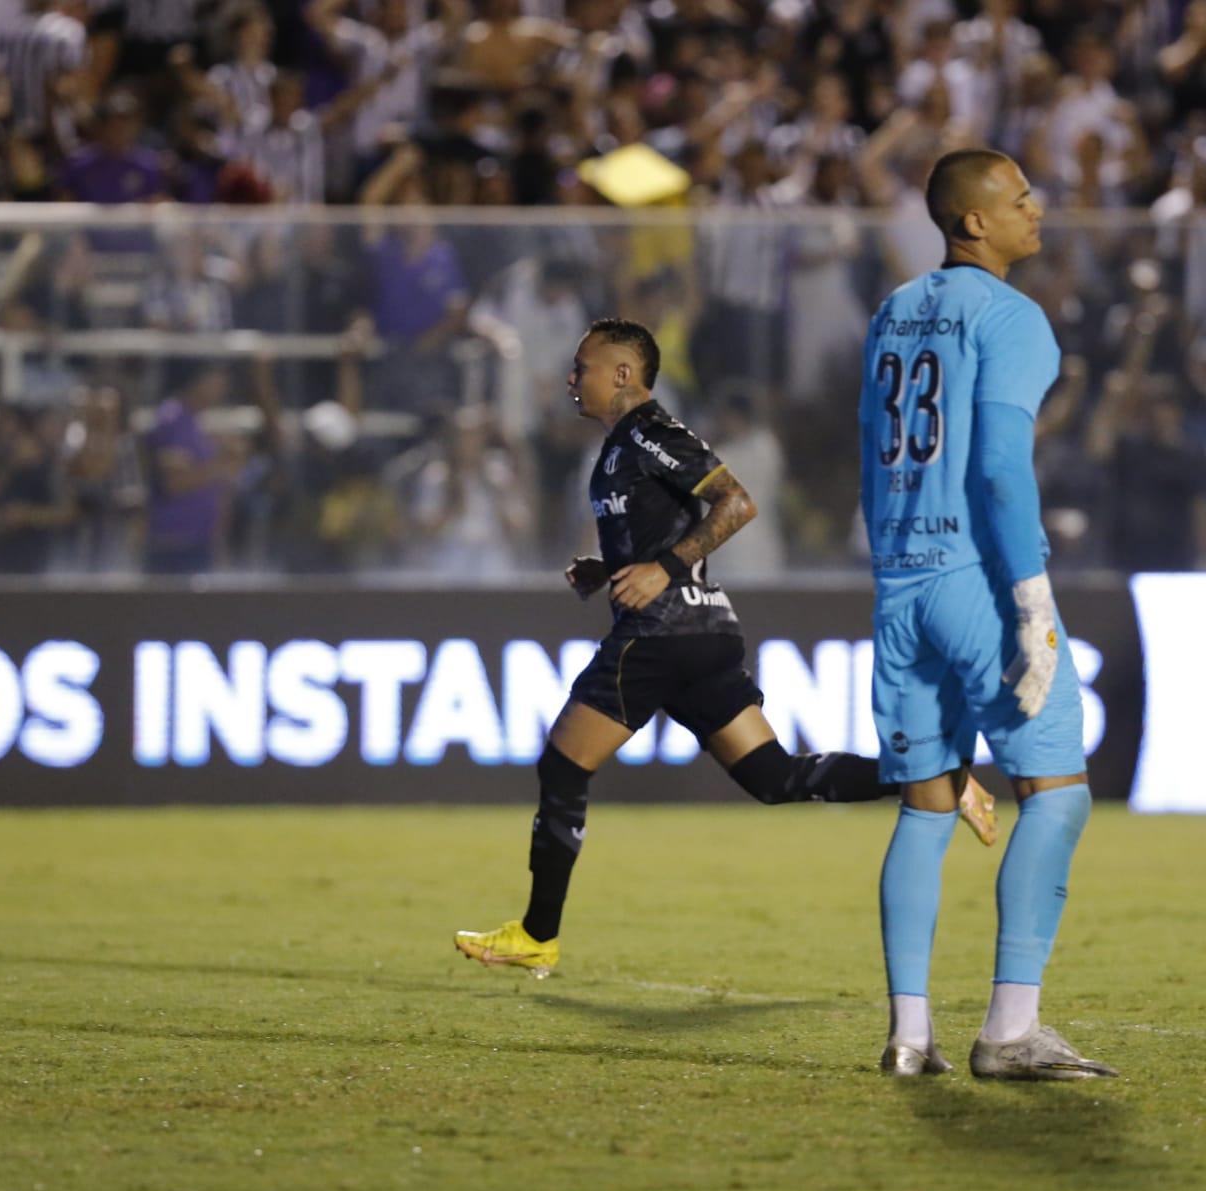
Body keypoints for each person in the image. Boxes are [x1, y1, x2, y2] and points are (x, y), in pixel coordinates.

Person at [453, 319, 994, 979]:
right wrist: (610, 569)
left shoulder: (652, 434)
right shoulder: (623, 447)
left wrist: (664, 571)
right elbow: (667, 530)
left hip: (662, 634)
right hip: (703, 636)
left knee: (563, 767)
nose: (573, 378)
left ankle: (537, 935)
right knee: (775, 777)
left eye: (584, 366)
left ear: (624, 373)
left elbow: (736, 504)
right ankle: (936, 775)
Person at [859, 149, 1113, 1081]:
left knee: (925, 813)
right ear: (973, 223)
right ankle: (1010, 1030)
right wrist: (1032, 597)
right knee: (1057, 792)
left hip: (898, 583)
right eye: (1018, 200)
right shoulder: (1012, 318)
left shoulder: (891, 311)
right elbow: (1002, 467)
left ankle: (907, 1038)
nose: (1036, 211)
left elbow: (870, 456)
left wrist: (895, 565)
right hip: (975, 579)